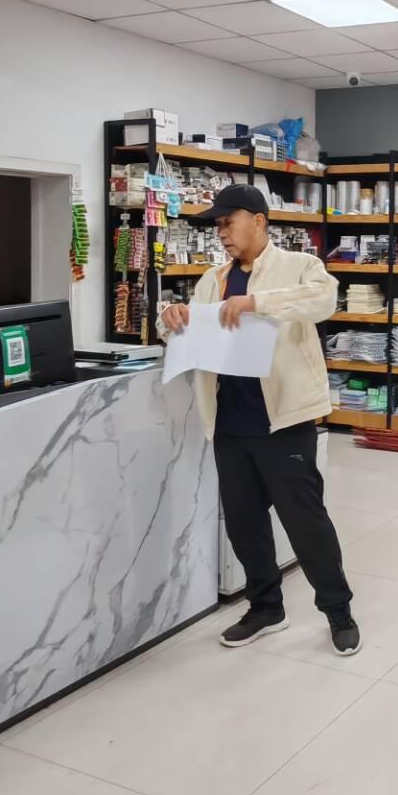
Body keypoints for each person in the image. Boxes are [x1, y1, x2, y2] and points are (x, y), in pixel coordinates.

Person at [159, 183, 359, 656]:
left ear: (258, 221)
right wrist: (172, 319)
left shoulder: (298, 265)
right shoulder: (212, 279)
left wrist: (257, 303)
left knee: (305, 522)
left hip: (284, 420)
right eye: (217, 226)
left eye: (228, 223)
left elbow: (324, 300)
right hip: (230, 422)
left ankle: (338, 612)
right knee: (244, 523)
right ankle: (266, 608)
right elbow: (190, 337)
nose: (221, 233)